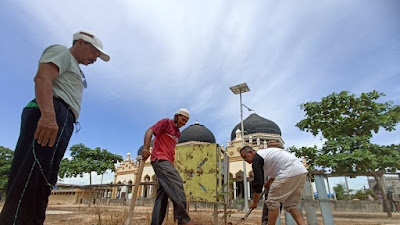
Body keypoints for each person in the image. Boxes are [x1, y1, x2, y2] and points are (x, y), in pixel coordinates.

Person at [0, 31, 110, 225]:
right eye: (95, 53)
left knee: (44, 178)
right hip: (52, 112)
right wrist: (49, 117)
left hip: (62, 118)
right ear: (82, 42)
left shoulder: (74, 66)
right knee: (32, 175)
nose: (95, 59)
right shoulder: (62, 52)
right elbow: (43, 78)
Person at [142, 109, 197, 225]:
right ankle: (183, 219)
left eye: (186, 121)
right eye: (183, 119)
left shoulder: (178, 133)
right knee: (177, 183)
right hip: (160, 160)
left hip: (168, 162)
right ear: (176, 116)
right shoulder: (166, 123)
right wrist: (146, 148)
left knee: (162, 196)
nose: (184, 123)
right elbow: (149, 131)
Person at [240, 143, 308, 225]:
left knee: (272, 201)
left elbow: (258, 183)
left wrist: (254, 202)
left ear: (251, 152)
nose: (245, 160)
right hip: (300, 171)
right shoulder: (266, 154)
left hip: (288, 172)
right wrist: (269, 182)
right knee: (291, 205)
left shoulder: (257, 158)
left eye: (245, 157)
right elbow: (279, 168)